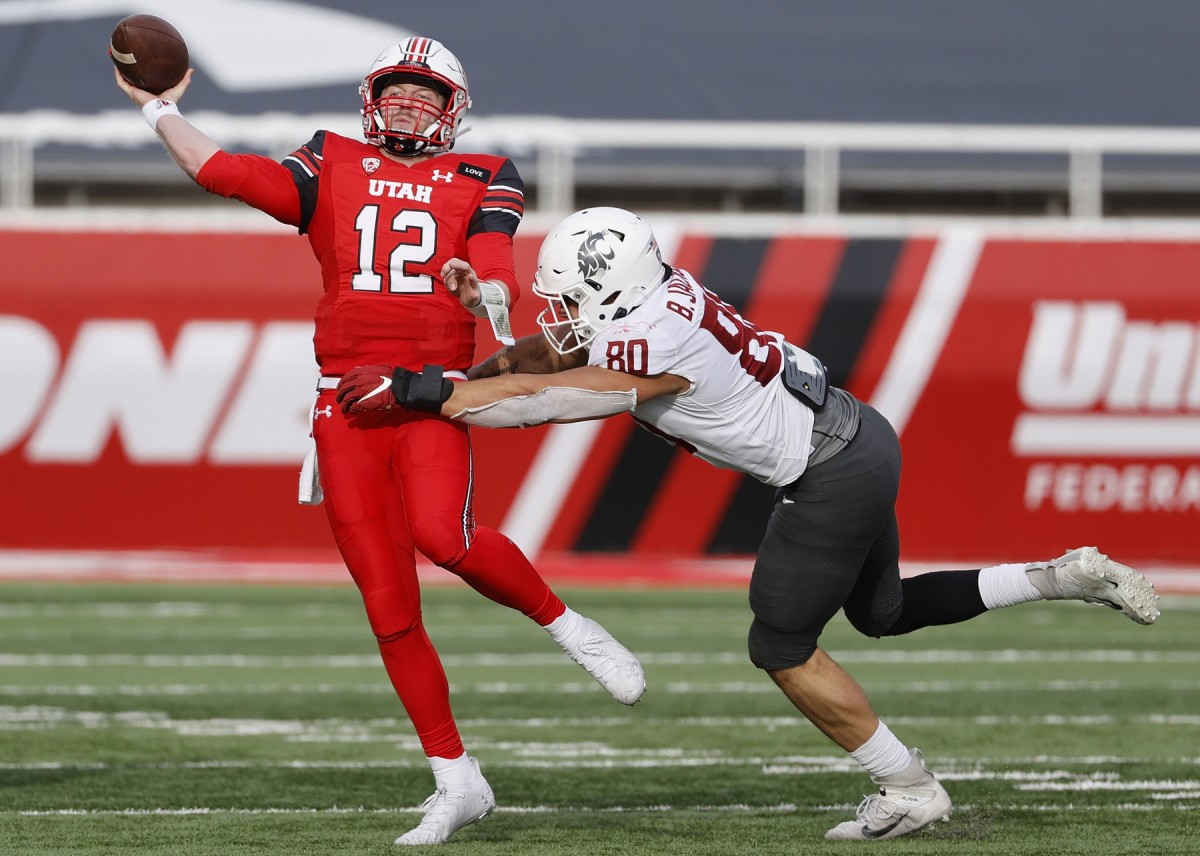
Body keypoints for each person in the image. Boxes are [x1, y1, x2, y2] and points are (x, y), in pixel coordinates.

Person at [335, 206, 1163, 842]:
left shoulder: (650, 342)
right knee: (883, 613)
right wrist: (458, 370)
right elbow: (547, 358)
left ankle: (910, 787)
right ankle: (1060, 577)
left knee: (779, 646)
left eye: (569, 297)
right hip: (862, 435)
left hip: (827, 473)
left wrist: (425, 392)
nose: (558, 311)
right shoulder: (656, 297)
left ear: (610, 289)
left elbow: (536, 399)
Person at [115, 44, 646, 846]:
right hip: (346, 402)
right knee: (388, 605)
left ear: (453, 107)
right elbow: (224, 172)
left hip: (427, 394)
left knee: (445, 537)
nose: (405, 105)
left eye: (422, 95)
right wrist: (157, 107)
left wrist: (485, 292)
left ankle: (570, 628)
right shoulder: (332, 156)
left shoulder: (485, 172)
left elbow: (498, 265)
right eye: (395, 91)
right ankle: (456, 780)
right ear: (372, 98)